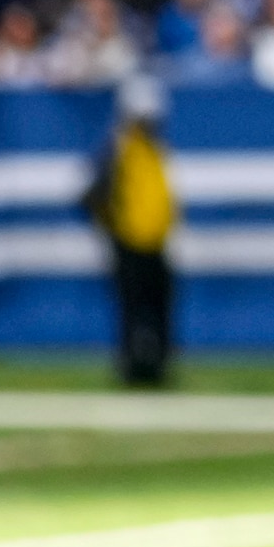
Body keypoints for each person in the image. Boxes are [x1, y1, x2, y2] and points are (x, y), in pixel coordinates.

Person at [86, 76, 178, 389]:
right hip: (128, 240)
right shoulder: (117, 147)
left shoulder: (154, 146)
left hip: (156, 239)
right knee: (133, 307)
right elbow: (92, 193)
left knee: (158, 306)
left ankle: (157, 365)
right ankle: (133, 365)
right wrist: (112, 227)